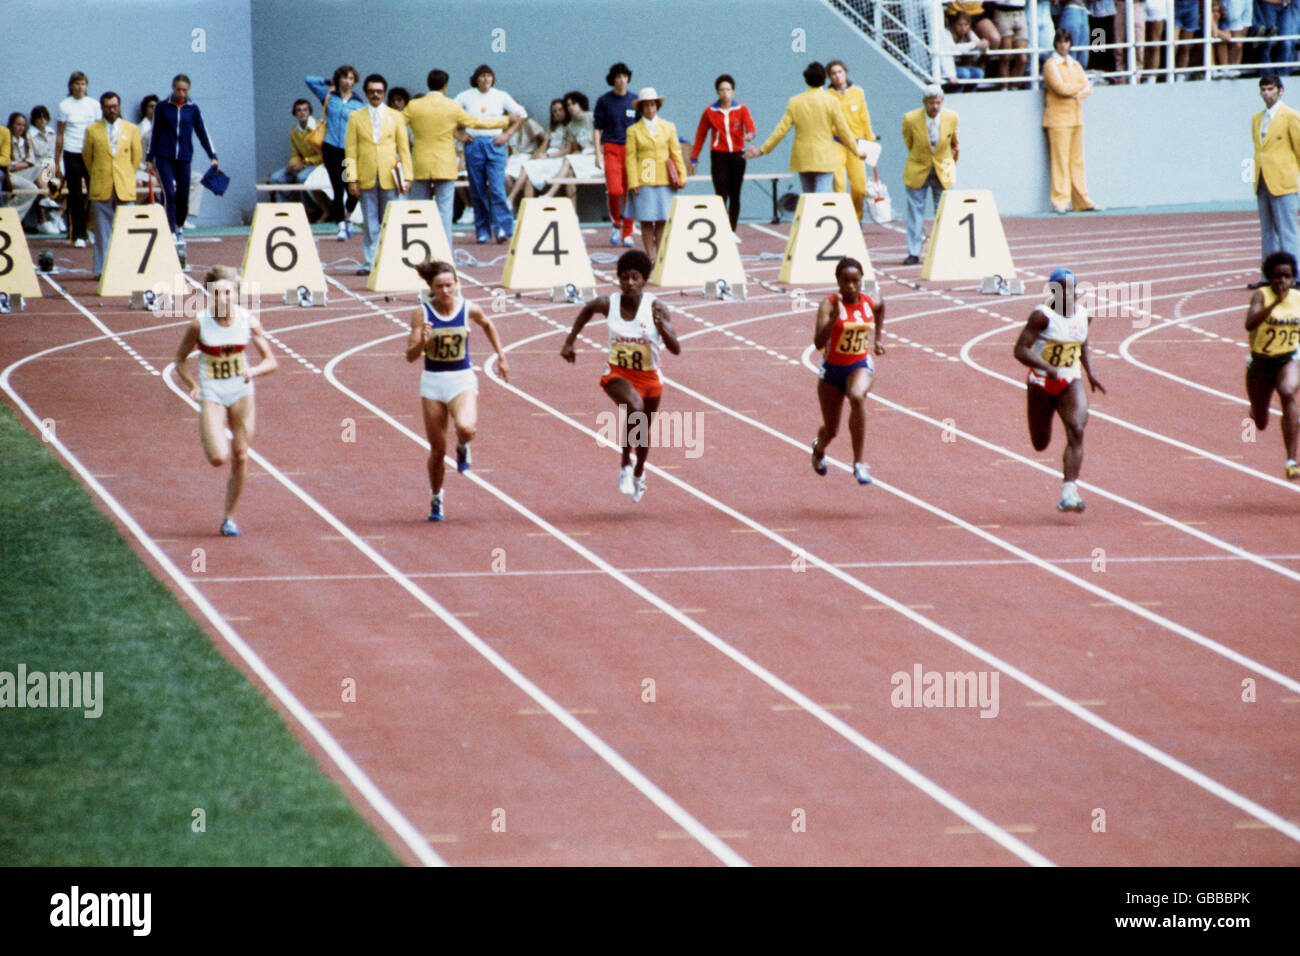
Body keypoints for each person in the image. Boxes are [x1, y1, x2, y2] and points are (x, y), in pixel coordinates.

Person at [560, 249, 681, 503]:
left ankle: (638, 473)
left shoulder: (656, 307)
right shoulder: (609, 303)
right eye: (624, 277)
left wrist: (662, 327)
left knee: (643, 433)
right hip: (617, 372)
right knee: (634, 409)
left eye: (635, 277)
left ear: (644, 280)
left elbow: (676, 349)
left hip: (649, 377)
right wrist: (570, 342)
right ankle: (625, 464)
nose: (629, 283)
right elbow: (586, 310)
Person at [172, 265, 277, 537]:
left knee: (241, 455)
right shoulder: (199, 323)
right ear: (210, 296)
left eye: (228, 293)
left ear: (236, 294)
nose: (224, 299)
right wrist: (193, 385)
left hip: (242, 391)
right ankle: (211, 427)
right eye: (218, 294)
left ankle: (228, 518)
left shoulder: (248, 321)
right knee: (219, 457)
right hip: (213, 392)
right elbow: (180, 360)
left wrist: (253, 371)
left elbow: (271, 361)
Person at [404, 260, 510, 522]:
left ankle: (463, 445)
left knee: (466, 428)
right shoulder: (422, 314)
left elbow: (488, 324)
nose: (445, 291)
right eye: (439, 287)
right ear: (431, 288)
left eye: (449, 285)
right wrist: (423, 343)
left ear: (456, 285)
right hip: (433, 381)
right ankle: (436, 498)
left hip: (461, 378)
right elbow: (410, 356)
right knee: (437, 449)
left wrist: (501, 356)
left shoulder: (468, 309)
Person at [1012, 267, 1104, 512]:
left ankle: (1069, 493)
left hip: (1070, 381)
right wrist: (1044, 366)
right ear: (1053, 291)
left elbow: (1082, 342)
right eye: (1064, 289)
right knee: (1040, 443)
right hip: (1041, 384)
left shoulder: (1084, 315)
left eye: (1073, 289)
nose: (1070, 294)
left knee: (1076, 428)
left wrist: (1090, 372)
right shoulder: (1041, 317)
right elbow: (1020, 350)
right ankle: (1068, 490)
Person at [404, 68, 508, 245]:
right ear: (445, 86)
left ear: (428, 84)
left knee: (419, 208)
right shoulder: (451, 106)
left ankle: (418, 247)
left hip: (420, 162)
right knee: (445, 211)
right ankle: (444, 249)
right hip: (444, 163)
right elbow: (477, 122)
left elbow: (396, 121)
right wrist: (505, 121)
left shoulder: (414, 106)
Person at [810, 257, 886, 485]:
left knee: (856, 396)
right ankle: (819, 447)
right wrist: (834, 319)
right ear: (838, 282)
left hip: (859, 364)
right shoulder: (829, 305)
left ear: (862, 280)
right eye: (846, 281)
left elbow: (881, 308)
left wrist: (879, 339)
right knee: (831, 430)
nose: (851, 286)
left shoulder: (870, 302)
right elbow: (817, 343)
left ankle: (859, 463)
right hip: (832, 371)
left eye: (855, 281)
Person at [745, 62, 855, 195]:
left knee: (807, 199)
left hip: (803, 158)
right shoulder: (831, 101)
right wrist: (856, 150)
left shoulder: (795, 102)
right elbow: (843, 130)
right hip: (824, 157)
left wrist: (762, 150)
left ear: (806, 80)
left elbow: (780, 131)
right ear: (824, 79)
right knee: (821, 199)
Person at [344, 73, 413, 276]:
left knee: (390, 220)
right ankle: (370, 261)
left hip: (390, 176)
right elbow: (350, 151)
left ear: (384, 93)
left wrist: (407, 176)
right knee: (369, 221)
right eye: (372, 91)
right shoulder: (355, 117)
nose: (376, 94)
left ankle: (391, 259)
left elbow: (404, 148)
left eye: (379, 91)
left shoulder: (396, 116)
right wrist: (351, 179)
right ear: (366, 92)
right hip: (365, 176)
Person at [454, 64, 527, 244]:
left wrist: (507, 134)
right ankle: (483, 230)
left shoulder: (500, 96)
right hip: (474, 144)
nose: (486, 79)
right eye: (482, 76)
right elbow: (448, 114)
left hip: (495, 142)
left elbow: (521, 114)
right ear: (476, 78)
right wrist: (459, 135)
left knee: (497, 188)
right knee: (477, 190)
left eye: (489, 76)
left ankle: (503, 227)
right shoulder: (465, 96)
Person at [146, 73, 219, 245]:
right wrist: (150, 158)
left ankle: (179, 226)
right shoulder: (162, 107)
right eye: (178, 89)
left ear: (188, 90)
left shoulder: (192, 109)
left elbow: (203, 133)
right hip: (164, 157)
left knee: (183, 195)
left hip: (184, 158)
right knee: (170, 193)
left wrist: (213, 156)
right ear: (173, 89)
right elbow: (155, 133)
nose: (181, 93)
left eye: (184, 90)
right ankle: (170, 230)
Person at [1245, 251, 1300, 478]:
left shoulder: (1297, 298)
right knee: (1260, 422)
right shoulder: (1261, 296)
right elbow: (1250, 324)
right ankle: (1255, 409)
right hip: (1260, 363)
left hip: (1287, 359)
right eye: (1277, 276)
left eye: (1286, 276)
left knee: (1288, 392)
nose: (1282, 281)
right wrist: (1275, 303)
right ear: (1269, 277)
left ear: (1293, 278)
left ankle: (1291, 460)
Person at [82, 91, 143, 278]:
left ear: (119, 106)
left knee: (127, 229)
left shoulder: (131, 129)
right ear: (102, 108)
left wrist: (124, 174)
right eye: (108, 107)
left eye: (115, 106)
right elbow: (87, 158)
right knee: (102, 232)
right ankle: (101, 270)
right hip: (102, 185)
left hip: (124, 185)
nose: (112, 110)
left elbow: (136, 157)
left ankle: (128, 267)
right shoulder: (92, 130)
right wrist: (101, 173)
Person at [688, 74, 756, 235]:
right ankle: (721, 228)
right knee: (721, 194)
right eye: (722, 90)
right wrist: (694, 158)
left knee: (735, 194)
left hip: (738, 157)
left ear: (733, 91)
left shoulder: (741, 109)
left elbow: (751, 127)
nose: (725, 93)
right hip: (719, 156)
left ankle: (731, 230)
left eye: (728, 89)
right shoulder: (710, 112)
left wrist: (750, 136)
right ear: (717, 92)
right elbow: (701, 135)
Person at [624, 87, 686, 264]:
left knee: (662, 220)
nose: (650, 109)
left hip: (665, 180)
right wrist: (633, 180)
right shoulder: (633, 130)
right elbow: (630, 158)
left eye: (653, 105)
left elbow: (676, 153)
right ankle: (649, 256)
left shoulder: (668, 127)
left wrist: (682, 175)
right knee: (645, 220)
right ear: (641, 108)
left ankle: (660, 256)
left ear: (657, 106)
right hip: (644, 180)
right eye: (646, 105)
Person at [1043, 29, 1101, 215]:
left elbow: (1088, 89)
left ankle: (1081, 199)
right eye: (1060, 41)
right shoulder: (1051, 65)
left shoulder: (1075, 64)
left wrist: (1075, 91)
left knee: (1077, 161)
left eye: (1066, 41)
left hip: (1076, 118)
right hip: (1058, 120)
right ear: (1056, 43)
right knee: (1060, 160)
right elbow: (1060, 88)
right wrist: (1077, 90)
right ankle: (1060, 200)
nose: (1063, 45)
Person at [900, 85, 958, 265]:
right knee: (915, 212)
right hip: (918, 168)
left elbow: (953, 141)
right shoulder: (910, 119)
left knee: (944, 210)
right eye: (931, 103)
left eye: (937, 103)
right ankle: (914, 252)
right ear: (925, 103)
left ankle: (944, 249)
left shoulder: (951, 117)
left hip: (943, 168)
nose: (934, 106)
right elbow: (908, 141)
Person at [306, 65, 365, 239]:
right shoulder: (329, 97)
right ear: (338, 79)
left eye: (351, 78)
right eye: (345, 77)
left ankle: (348, 217)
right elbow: (309, 80)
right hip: (331, 148)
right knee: (337, 189)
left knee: (352, 189)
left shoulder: (358, 102)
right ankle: (340, 225)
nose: (348, 82)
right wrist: (327, 82)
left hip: (350, 150)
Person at [1252, 74, 1300, 281]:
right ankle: (1267, 276)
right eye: (1263, 90)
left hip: (1283, 180)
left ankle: (1295, 276)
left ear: (1280, 91)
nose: (1266, 93)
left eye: (1271, 89)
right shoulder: (1256, 119)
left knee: (1287, 231)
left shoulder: (1291, 116)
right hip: (1263, 180)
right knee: (1268, 232)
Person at [592, 62, 639, 247]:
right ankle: (615, 224)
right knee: (614, 190)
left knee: (631, 191)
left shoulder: (635, 100)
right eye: (618, 77)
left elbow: (641, 128)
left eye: (624, 77)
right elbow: (597, 129)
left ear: (628, 78)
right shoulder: (604, 101)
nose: (621, 80)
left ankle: (628, 232)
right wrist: (597, 153)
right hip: (611, 148)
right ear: (613, 80)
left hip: (631, 150)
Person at [825, 60, 876, 225]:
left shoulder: (857, 92)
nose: (837, 76)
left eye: (840, 72)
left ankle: (857, 218)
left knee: (859, 186)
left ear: (845, 72)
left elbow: (864, 115)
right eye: (833, 73)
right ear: (830, 77)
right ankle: (842, 221)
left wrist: (870, 139)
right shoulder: (827, 96)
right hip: (836, 143)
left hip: (856, 144)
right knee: (839, 185)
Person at [54, 71, 101, 247]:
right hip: (71, 152)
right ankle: (78, 234)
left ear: (86, 86)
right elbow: (60, 133)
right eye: (76, 84)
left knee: (93, 192)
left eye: (82, 84)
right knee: (75, 194)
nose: (80, 87)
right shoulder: (64, 105)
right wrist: (56, 161)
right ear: (71, 86)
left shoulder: (94, 104)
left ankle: (92, 229)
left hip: (90, 153)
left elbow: (98, 131)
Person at [268, 99, 326, 217]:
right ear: (295, 113)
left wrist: (304, 163)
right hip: (303, 165)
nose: (302, 113)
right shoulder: (294, 131)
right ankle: (285, 210)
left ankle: (309, 211)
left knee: (302, 177)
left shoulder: (319, 128)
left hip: (317, 164)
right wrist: (293, 164)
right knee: (276, 178)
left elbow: (324, 154)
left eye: (305, 110)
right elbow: (295, 153)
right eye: (298, 110)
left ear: (310, 111)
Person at [507, 99, 571, 205]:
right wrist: (538, 155)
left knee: (528, 169)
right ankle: (522, 208)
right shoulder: (553, 128)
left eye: (560, 110)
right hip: (548, 157)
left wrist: (547, 155)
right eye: (554, 111)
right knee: (528, 171)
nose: (557, 113)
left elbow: (569, 149)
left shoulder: (570, 127)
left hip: (559, 158)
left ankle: (510, 199)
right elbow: (545, 143)